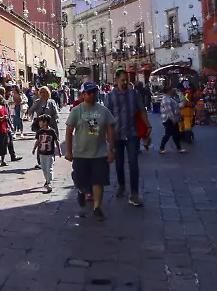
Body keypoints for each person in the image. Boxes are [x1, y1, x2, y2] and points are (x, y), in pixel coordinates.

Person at [65, 81, 115, 220]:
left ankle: (97, 207)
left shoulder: (103, 110)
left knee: (98, 181)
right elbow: (69, 131)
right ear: (83, 94)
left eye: (94, 92)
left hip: (99, 153)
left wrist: (111, 149)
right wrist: (68, 151)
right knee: (80, 180)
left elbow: (110, 129)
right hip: (80, 153)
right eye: (89, 92)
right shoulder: (77, 111)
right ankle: (82, 190)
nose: (92, 95)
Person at [103, 69, 149, 207]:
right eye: (122, 80)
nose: (125, 83)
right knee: (119, 163)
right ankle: (122, 185)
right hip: (116, 135)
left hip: (132, 133)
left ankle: (134, 193)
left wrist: (148, 126)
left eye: (126, 80)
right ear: (116, 80)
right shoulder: (110, 96)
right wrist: (106, 134)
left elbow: (142, 110)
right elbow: (106, 117)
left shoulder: (134, 94)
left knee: (133, 163)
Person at [32, 114, 61, 193]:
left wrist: (59, 150)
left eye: (40, 121)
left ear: (45, 122)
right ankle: (47, 180)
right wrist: (34, 148)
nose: (39, 123)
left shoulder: (52, 131)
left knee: (50, 168)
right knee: (44, 168)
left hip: (50, 153)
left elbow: (56, 141)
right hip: (41, 153)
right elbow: (37, 141)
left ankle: (49, 183)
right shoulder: (39, 132)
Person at [159, 89, 186, 154]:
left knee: (175, 133)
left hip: (172, 119)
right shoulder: (166, 99)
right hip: (169, 119)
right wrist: (173, 119)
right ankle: (161, 148)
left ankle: (179, 148)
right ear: (168, 91)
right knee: (168, 133)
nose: (173, 91)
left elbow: (177, 106)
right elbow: (169, 111)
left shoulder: (170, 98)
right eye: (172, 90)